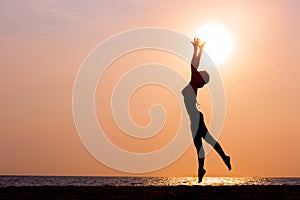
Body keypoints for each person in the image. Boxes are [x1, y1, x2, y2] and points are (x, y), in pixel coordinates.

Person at [182, 38, 231, 183]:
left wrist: (197, 49)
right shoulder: (194, 85)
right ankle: (205, 167)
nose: (199, 71)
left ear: (200, 78)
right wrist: (199, 49)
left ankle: (206, 167)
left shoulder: (193, 83)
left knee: (204, 143)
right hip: (195, 119)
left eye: (201, 72)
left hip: (196, 118)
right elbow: (195, 66)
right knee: (201, 145)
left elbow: (193, 64)